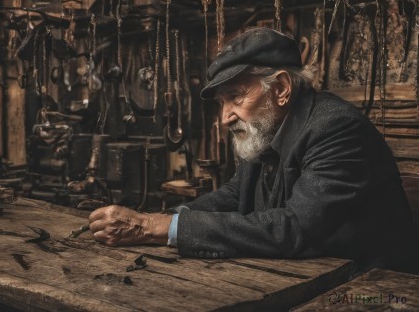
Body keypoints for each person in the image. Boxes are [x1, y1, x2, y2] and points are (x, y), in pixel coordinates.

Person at [89, 27, 419, 274]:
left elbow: (295, 228)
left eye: (236, 96)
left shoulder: (336, 130)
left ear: (281, 89)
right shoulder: (266, 127)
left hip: (371, 289)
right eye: (221, 103)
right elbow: (235, 194)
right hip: (309, 275)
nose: (224, 117)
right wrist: (171, 219)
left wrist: (155, 229)